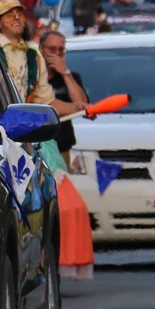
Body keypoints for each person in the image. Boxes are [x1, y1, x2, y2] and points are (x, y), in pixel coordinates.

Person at [41, 30, 97, 280]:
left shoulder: (70, 77)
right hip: (39, 149)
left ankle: (61, 259)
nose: (56, 54)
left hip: (61, 151)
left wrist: (64, 72)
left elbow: (84, 105)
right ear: (41, 50)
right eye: (52, 49)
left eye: (61, 50)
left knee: (64, 207)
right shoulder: (36, 79)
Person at [0, 0, 54, 105]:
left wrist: (79, 107)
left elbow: (46, 101)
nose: (16, 18)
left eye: (20, 14)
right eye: (9, 15)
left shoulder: (34, 56)